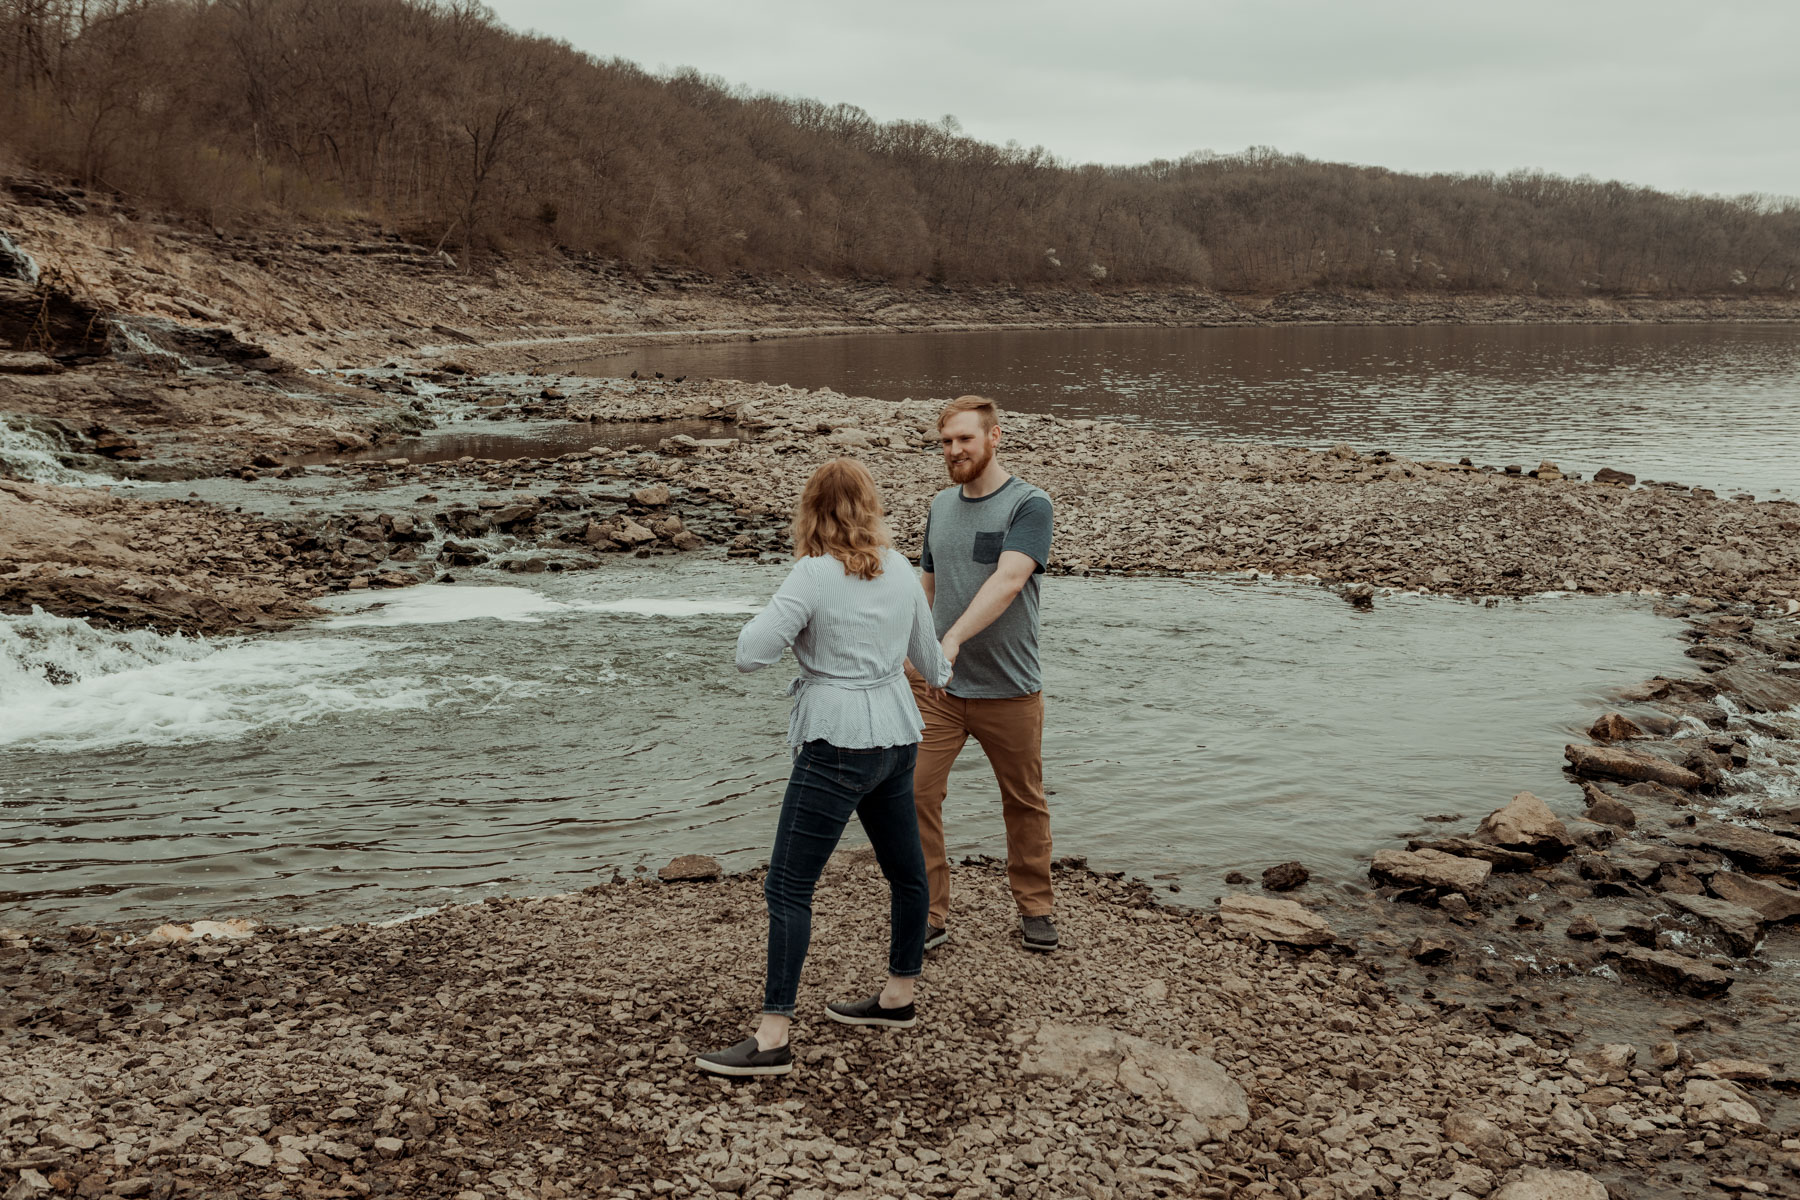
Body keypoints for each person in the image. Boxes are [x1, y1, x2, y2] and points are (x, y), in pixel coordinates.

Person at [697, 457, 953, 1078]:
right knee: (907, 871)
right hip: (897, 736)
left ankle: (773, 1036)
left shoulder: (811, 575)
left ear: (809, 512)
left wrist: (805, 641)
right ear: (873, 508)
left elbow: (748, 654)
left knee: (788, 885)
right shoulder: (898, 568)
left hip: (835, 739)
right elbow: (933, 662)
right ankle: (898, 996)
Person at [909, 395, 1058, 954]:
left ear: (995, 438)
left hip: (1010, 688)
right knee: (914, 793)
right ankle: (928, 912)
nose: (954, 451)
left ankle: (1036, 907)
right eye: (946, 441)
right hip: (937, 689)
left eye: (965, 439)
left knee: (1023, 800)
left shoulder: (1029, 504)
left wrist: (949, 639)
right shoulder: (940, 507)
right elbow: (925, 587)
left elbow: (1009, 580)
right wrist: (910, 648)